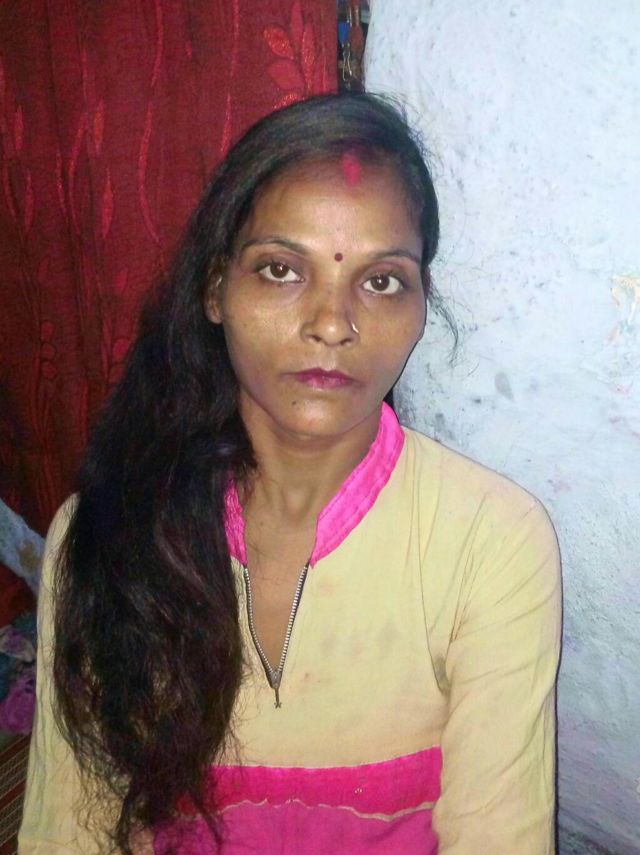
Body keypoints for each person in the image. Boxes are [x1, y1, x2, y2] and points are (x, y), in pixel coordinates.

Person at [19, 92, 561, 855]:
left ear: (420, 306)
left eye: (381, 280)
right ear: (215, 289)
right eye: (280, 269)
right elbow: (70, 829)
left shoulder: (491, 541)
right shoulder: (106, 530)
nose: (332, 323)